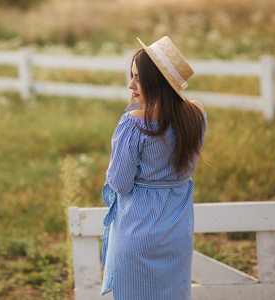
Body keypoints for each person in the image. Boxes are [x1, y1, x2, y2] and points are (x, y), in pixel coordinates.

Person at [101, 36, 207, 299]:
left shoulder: (133, 124)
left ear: (156, 81)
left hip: (138, 230)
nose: (131, 85)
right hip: (177, 231)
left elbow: (121, 183)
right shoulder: (197, 114)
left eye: (138, 78)